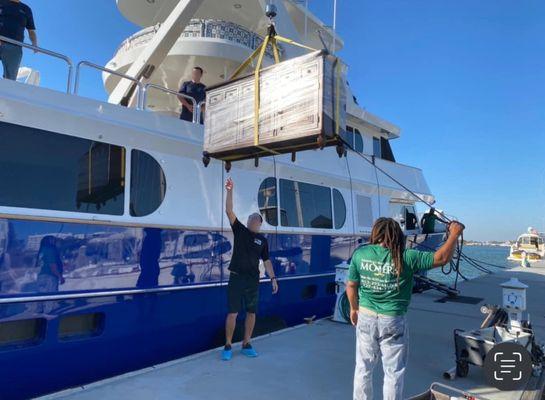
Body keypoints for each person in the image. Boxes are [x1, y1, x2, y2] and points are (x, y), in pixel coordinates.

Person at [347, 218, 464, 400]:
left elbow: (352, 286)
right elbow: (442, 258)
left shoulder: (360, 254)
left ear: (375, 233)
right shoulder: (407, 256)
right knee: (393, 372)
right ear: (397, 235)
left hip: (366, 317)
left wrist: (354, 309)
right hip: (392, 320)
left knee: (363, 367)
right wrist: (454, 234)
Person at [222, 177, 279, 361]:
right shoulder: (240, 231)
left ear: (260, 224)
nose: (254, 222)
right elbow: (229, 210)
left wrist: (272, 278)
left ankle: (247, 343)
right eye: (251, 220)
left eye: (257, 221)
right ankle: (228, 345)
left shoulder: (262, 240)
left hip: (253, 280)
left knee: (252, 312)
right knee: (233, 312)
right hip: (236, 278)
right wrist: (230, 189)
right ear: (247, 222)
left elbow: (267, 261)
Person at [0, 0, 37, 80]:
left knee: (10, 79)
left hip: (14, 47)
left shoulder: (26, 9)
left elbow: (31, 31)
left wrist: (35, 44)